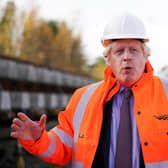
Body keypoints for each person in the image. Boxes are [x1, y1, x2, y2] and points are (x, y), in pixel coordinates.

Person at [10, 12, 168, 168]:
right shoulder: (83, 98)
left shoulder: (166, 93)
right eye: (119, 51)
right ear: (108, 59)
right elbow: (63, 145)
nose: (126, 57)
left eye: (133, 50)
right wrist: (39, 139)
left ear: (145, 56)